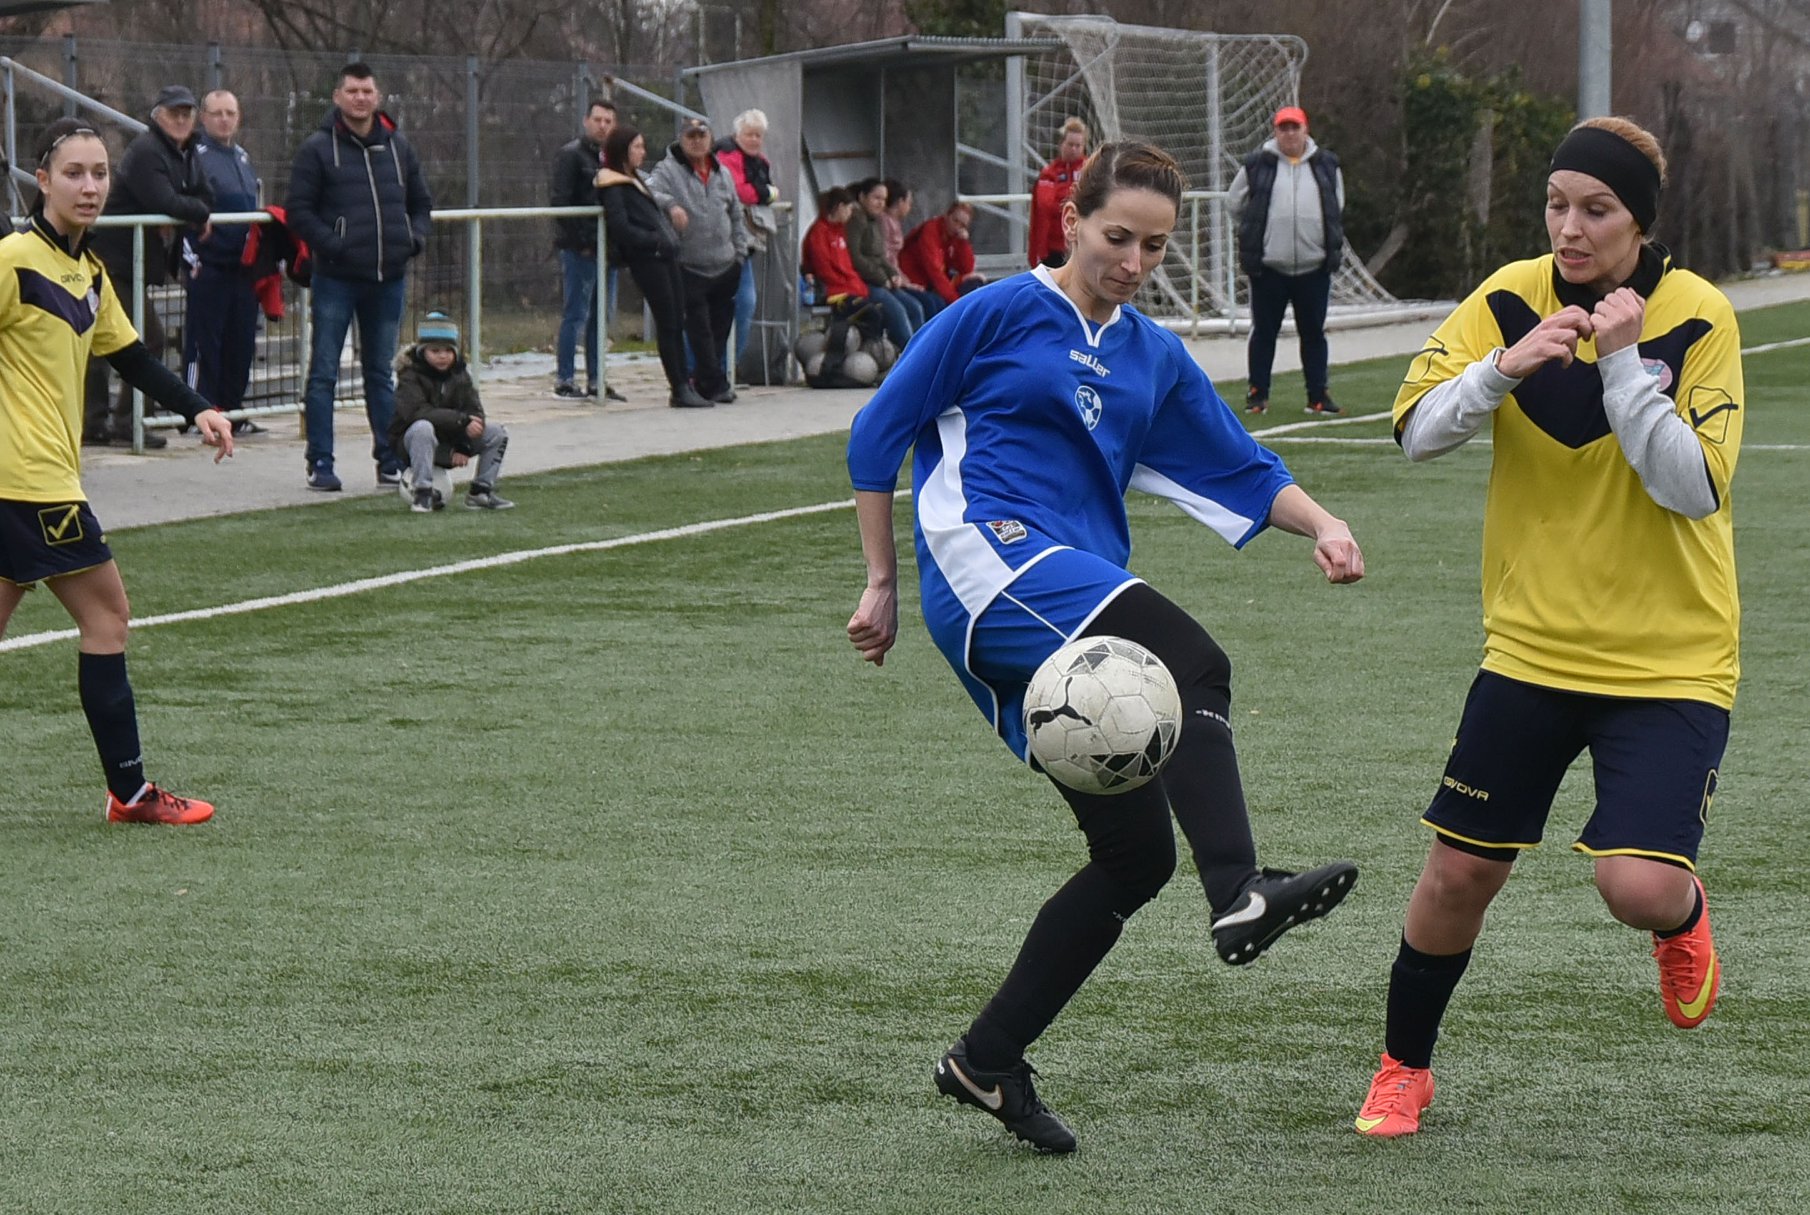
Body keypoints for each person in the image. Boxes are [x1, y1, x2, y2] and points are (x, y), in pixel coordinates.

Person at [846, 141, 1365, 1155]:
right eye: (1117, 237)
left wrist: (1324, 523)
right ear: (1071, 221)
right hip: (990, 562)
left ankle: (987, 1058)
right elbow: (878, 431)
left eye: (1155, 246)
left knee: (1134, 859)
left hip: (1066, 589)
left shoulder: (1151, 356)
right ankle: (1242, 888)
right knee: (1192, 660)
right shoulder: (995, 313)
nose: (1134, 261)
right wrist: (881, 581)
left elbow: (1240, 465)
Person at [1354, 116, 1741, 1138]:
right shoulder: (1507, 298)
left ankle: (1683, 917)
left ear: (1639, 221)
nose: (1569, 229)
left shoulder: (1699, 315)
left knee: (1635, 887)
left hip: (1669, 658)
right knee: (1459, 871)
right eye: (1556, 205)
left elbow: (1693, 487)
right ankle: (1402, 1068)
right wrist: (1504, 367)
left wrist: (1621, 363)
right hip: (1530, 647)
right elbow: (1413, 430)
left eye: (1596, 210)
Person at [0, 118, 235, 824]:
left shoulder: (90, 272)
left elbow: (131, 358)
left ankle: (129, 794)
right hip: (33, 481)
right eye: (74, 173)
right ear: (42, 180)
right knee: (107, 616)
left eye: (100, 173)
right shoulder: (13, 259)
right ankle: (130, 795)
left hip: (30, 481)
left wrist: (198, 408)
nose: (90, 186)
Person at [286, 61, 435, 492]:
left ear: (378, 96)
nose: (360, 98)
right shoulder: (317, 149)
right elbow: (298, 211)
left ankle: (389, 460)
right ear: (337, 97)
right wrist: (333, 245)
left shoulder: (398, 147)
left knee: (380, 374)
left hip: (388, 279)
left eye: (367, 91)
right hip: (336, 280)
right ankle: (320, 462)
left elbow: (422, 204)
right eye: (352, 91)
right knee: (324, 373)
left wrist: (413, 239)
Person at [84, 84, 213, 449]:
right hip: (114, 258)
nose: (181, 120)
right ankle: (121, 421)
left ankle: (106, 421)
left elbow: (206, 195)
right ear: (158, 116)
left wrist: (192, 209)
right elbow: (165, 200)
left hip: (134, 261)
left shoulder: (186, 151)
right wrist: (194, 212)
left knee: (115, 340)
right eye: (174, 113)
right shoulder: (147, 150)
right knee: (143, 338)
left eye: (187, 113)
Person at [1227, 105, 1344, 416]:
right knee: (1264, 333)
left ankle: (1318, 396)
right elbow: (1234, 203)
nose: (1290, 134)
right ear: (1275, 131)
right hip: (1269, 268)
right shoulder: (1257, 165)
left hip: (1314, 266)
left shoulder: (1326, 164)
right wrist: (1257, 234)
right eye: (1284, 128)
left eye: (1295, 127)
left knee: (1314, 333)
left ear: (1306, 130)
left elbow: (1336, 205)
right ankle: (1257, 394)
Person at [596, 124, 713, 409]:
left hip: (666, 257)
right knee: (668, 322)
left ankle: (684, 384)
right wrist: (655, 241)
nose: (642, 152)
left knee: (677, 319)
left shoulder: (634, 179)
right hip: (649, 260)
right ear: (623, 151)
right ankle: (679, 386)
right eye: (636, 147)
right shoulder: (612, 183)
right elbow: (621, 227)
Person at [647, 115, 750, 405]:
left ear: (710, 138)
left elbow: (736, 213)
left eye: (701, 136)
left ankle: (707, 380)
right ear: (681, 138)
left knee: (720, 329)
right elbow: (649, 190)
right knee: (699, 329)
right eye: (690, 136)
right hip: (689, 266)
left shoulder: (722, 172)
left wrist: (740, 252)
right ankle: (715, 383)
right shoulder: (667, 170)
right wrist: (671, 205)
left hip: (726, 264)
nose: (696, 141)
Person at [186, 89, 265, 437]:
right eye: (216, 113)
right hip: (210, 266)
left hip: (243, 268)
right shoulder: (196, 157)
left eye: (230, 113)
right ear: (203, 117)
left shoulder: (243, 158)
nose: (224, 120)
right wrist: (192, 257)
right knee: (205, 343)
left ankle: (233, 411)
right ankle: (197, 412)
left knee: (241, 342)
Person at [388, 312, 512, 512]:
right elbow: (417, 413)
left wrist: (464, 444)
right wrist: (461, 422)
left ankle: (481, 490)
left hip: (451, 438)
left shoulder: (460, 374)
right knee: (422, 428)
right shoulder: (409, 376)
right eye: (435, 350)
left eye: (448, 350)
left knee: (497, 433)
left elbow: (474, 410)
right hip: (413, 444)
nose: (442, 356)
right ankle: (422, 492)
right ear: (422, 351)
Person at [549, 98, 624, 402]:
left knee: (601, 317)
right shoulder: (571, 155)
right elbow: (560, 202)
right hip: (581, 251)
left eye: (608, 121)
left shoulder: (614, 158)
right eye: (598, 120)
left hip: (608, 250)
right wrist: (581, 242)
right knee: (576, 314)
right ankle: (565, 379)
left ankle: (597, 379)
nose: (602, 126)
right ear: (586, 121)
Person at [714, 108, 780, 373]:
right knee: (728, 304)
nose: (754, 140)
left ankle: (728, 366)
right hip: (722, 241)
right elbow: (741, 191)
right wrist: (767, 193)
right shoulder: (727, 155)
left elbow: (764, 189)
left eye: (759, 135)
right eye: (749, 134)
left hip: (745, 244)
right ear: (737, 134)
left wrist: (765, 193)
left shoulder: (760, 161)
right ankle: (712, 367)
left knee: (746, 303)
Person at [843, 177, 920, 349]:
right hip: (862, 282)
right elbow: (854, 257)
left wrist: (892, 274)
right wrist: (881, 278)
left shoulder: (875, 221)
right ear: (862, 197)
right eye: (876, 198)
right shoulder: (856, 220)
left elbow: (880, 256)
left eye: (884, 200)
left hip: (880, 280)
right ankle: (909, 356)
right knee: (897, 311)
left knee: (914, 307)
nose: (880, 204)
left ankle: (921, 352)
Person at [879, 180, 943, 322]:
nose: (910, 207)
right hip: (889, 279)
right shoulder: (884, 222)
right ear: (900, 202)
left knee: (935, 301)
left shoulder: (895, 223)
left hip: (899, 277)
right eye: (908, 202)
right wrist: (904, 282)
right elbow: (885, 257)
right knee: (922, 305)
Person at [1028, 116, 1088, 268]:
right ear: (1061, 144)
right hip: (1054, 249)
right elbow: (1045, 206)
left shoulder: (1090, 171)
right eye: (1070, 144)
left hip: (1083, 246)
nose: (1074, 149)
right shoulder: (1049, 173)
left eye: (1078, 145)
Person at [898, 201, 984, 307]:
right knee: (936, 303)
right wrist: (956, 302)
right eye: (955, 221)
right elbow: (934, 270)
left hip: (933, 281)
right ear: (947, 215)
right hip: (915, 279)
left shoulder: (954, 237)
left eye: (962, 225)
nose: (957, 227)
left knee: (974, 284)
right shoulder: (931, 231)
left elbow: (967, 269)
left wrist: (963, 243)